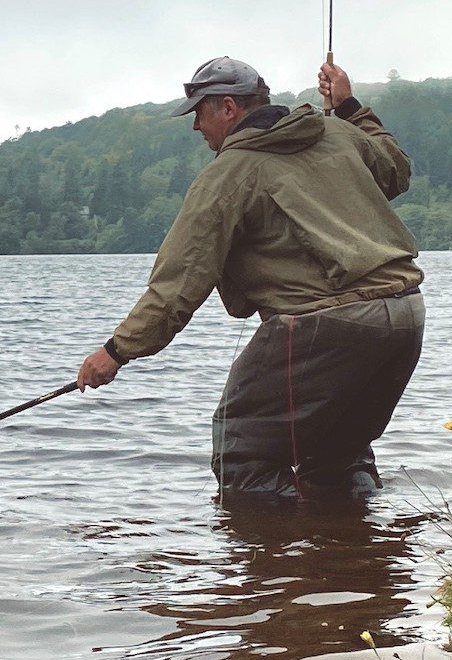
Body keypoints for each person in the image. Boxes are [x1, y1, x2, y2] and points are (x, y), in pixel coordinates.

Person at [75, 55, 424, 498]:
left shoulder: (227, 174)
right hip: (406, 316)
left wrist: (116, 352)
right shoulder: (336, 131)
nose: (196, 127)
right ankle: (355, 556)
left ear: (227, 108)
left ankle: (273, 561)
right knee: (338, 454)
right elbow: (396, 169)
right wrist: (349, 106)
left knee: (243, 451)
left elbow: (177, 285)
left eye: (199, 113)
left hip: (325, 324)